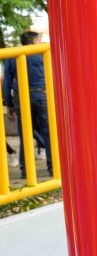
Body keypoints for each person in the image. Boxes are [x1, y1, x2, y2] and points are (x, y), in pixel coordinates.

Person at [2, 31, 52, 179]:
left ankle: (26, 170)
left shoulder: (14, 54)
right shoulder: (43, 52)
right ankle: (53, 167)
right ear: (33, 41)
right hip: (42, 93)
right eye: (39, 39)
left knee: (25, 133)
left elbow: (7, 83)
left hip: (22, 97)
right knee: (48, 132)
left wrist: (8, 104)